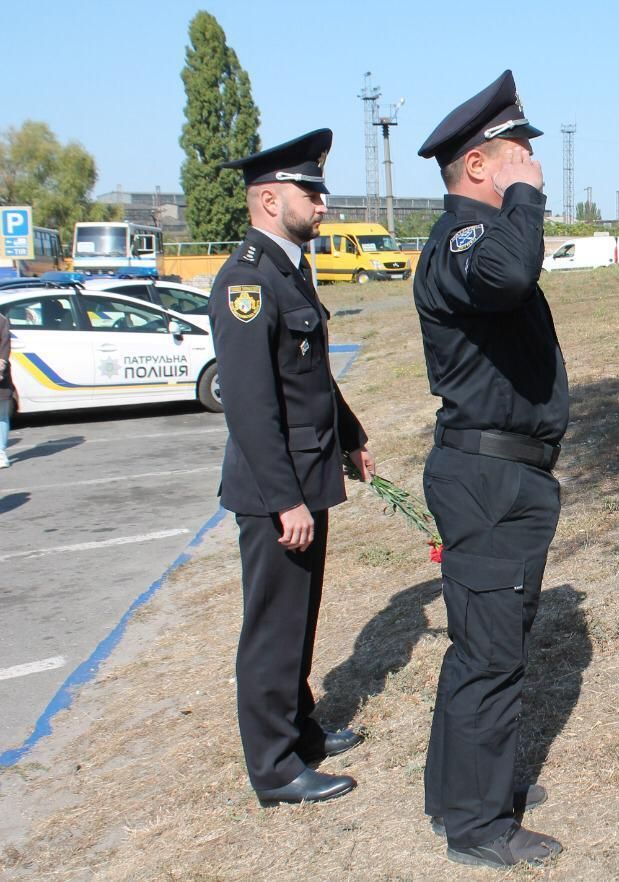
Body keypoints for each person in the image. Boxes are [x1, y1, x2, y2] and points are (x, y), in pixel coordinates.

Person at [412, 70, 568, 869]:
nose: (532, 167)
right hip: (490, 482)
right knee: (491, 655)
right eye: (517, 155)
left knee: (484, 642)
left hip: (501, 477)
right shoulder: (466, 241)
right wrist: (524, 198)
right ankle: (479, 826)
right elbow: (509, 274)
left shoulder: (474, 239)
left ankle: (462, 791)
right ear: (478, 165)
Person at [210, 128, 376, 807]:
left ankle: (299, 730)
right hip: (275, 490)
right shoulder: (245, 281)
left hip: (307, 476)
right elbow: (250, 406)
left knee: (299, 619)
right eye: (311, 193)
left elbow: (308, 377)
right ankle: (275, 768)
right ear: (270, 199)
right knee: (273, 628)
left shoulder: (289, 270)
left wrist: (350, 436)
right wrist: (284, 500)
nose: (323, 204)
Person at [0, 310, 12, 468]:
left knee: (1, 416)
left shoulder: (1, 320)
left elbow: (5, 345)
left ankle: (1, 452)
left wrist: (1, 364)